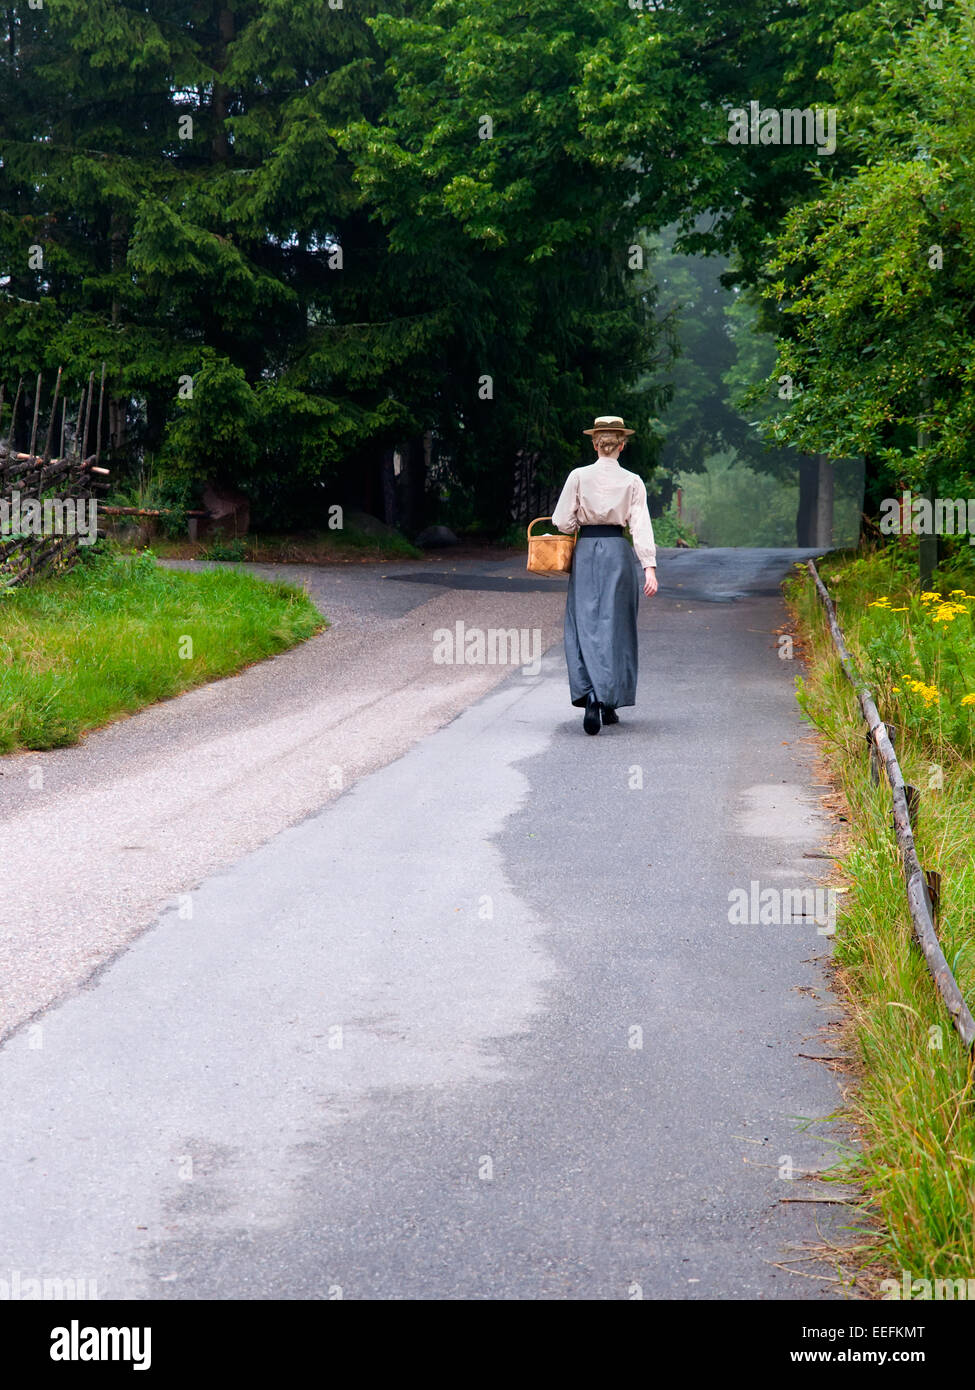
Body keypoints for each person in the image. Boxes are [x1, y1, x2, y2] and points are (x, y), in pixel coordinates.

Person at [551, 415, 658, 734]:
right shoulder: (633, 481)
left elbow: (560, 521)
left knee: (584, 622)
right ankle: (607, 698)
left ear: (595, 444)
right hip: (617, 552)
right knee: (617, 625)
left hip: (585, 552)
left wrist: (576, 525)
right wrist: (649, 567)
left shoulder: (578, 476)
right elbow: (640, 526)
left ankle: (591, 696)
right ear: (621, 446)